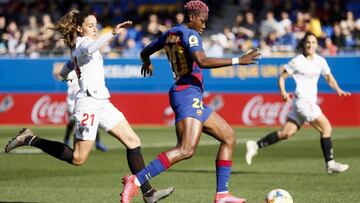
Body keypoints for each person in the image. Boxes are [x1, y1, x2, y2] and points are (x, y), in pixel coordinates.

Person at [4, 9, 173, 203]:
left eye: (96, 25)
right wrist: (112, 33)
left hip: (102, 101)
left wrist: (68, 74)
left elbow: (66, 68)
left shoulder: (81, 47)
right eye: (90, 26)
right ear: (79, 28)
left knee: (133, 142)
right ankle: (30, 139)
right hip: (88, 104)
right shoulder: (83, 43)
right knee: (78, 158)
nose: (95, 29)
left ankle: (148, 193)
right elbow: (91, 48)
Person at [120, 1, 260, 203]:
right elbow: (202, 61)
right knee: (186, 149)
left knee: (228, 136)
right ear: (192, 17)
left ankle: (222, 194)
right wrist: (239, 60)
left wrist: (146, 63)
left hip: (187, 93)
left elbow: (145, 51)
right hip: (187, 93)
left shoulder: (171, 34)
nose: (204, 25)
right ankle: (136, 180)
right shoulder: (190, 35)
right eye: (202, 21)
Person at [245, 32, 351, 174]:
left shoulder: (320, 61)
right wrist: (283, 92)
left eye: (313, 42)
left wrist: (338, 90)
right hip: (302, 101)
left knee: (286, 133)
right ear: (303, 44)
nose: (310, 45)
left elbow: (329, 77)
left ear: (316, 45)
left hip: (304, 103)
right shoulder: (297, 61)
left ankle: (255, 145)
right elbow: (282, 78)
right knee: (326, 128)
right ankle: (330, 164)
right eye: (308, 42)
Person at [62, 70, 108, 152]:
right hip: (73, 103)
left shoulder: (88, 73)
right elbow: (70, 91)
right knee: (72, 121)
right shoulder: (73, 77)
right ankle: (66, 140)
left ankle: (98, 143)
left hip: (86, 102)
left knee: (93, 121)